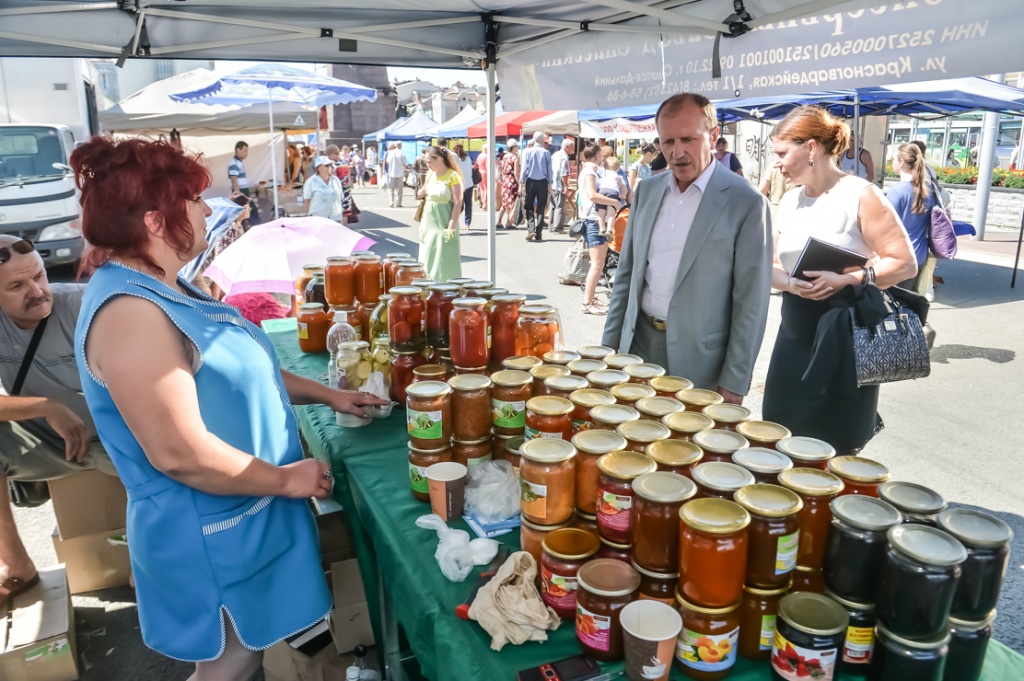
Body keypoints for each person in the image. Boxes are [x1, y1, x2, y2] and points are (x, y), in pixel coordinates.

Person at [69, 136, 388, 679]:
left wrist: (331, 394)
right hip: (208, 529)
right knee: (229, 665)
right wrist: (284, 479)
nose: (205, 209)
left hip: (241, 511)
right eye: (194, 199)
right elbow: (179, 453)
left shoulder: (166, 285)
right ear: (155, 221)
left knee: (248, 654)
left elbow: (240, 370)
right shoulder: (130, 313)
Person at [763, 106, 917, 454]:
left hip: (845, 340)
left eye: (782, 153)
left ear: (811, 148)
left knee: (833, 449)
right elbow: (769, 266)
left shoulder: (861, 194)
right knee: (778, 437)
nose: (777, 164)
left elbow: (905, 264)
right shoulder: (790, 200)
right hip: (794, 337)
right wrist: (790, 284)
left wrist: (847, 279)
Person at [602, 93, 773, 404]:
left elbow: (751, 302)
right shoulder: (647, 191)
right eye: (667, 142)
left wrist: (734, 381)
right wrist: (608, 349)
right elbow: (625, 276)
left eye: (688, 139)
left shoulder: (746, 202)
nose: (677, 152)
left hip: (702, 362)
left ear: (713, 136)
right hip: (637, 345)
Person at [0, 236, 119, 607]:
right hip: (55, 441)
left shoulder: (84, 304)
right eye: (17, 286)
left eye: (39, 276)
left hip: (125, 437)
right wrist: (46, 406)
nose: (37, 291)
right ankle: (17, 566)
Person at [888, 143, 939, 297]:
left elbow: (885, 227)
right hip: (919, 253)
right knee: (907, 300)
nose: (892, 163)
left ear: (902, 162)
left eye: (893, 160)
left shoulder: (897, 192)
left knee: (890, 303)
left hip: (898, 256)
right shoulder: (927, 190)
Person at [578, 145, 622, 316]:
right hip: (593, 220)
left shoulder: (591, 170)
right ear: (596, 154)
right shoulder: (589, 172)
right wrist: (614, 202)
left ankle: (590, 298)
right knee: (597, 264)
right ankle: (587, 302)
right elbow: (592, 195)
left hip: (595, 219)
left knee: (598, 263)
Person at [416, 146, 463, 282]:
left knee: (444, 259)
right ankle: (428, 287)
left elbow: (458, 203)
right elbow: (425, 195)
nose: (427, 165)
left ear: (440, 159)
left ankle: (445, 289)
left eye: (429, 162)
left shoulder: (453, 176)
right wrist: (421, 194)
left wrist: (451, 227)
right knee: (427, 257)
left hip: (444, 222)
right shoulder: (430, 174)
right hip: (428, 223)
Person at [520, 131, 553, 241]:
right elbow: (549, 170)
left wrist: (521, 182)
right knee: (541, 207)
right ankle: (539, 233)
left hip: (530, 181)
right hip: (543, 181)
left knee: (529, 206)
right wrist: (550, 184)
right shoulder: (546, 153)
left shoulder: (528, 152)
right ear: (542, 140)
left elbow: (524, 168)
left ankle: (531, 229)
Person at [303, 156, 346, 222]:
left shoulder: (335, 180)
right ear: (318, 168)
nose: (329, 167)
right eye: (327, 165)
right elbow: (307, 200)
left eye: (331, 165)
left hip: (336, 217)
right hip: (318, 219)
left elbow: (340, 197)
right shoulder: (311, 181)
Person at [596, 157, 627, 238]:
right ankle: (609, 230)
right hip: (613, 192)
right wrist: (623, 195)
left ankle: (601, 228)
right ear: (617, 169)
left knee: (601, 212)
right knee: (611, 213)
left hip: (602, 191)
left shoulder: (602, 172)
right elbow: (624, 188)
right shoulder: (618, 176)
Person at [549, 138, 574, 233]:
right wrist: (566, 185)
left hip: (552, 183)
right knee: (560, 206)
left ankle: (552, 225)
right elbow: (564, 173)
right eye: (572, 147)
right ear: (567, 147)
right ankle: (558, 227)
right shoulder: (564, 157)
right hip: (559, 184)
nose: (574, 149)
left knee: (553, 205)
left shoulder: (555, 155)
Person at [497, 138, 520, 230]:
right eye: (516, 146)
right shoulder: (515, 158)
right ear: (513, 147)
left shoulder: (505, 156)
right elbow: (516, 172)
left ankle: (499, 221)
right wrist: (519, 183)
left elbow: (501, 169)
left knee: (505, 202)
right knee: (512, 202)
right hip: (512, 180)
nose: (517, 148)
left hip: (505, 180)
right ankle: (508, 222)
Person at [452, 143, 475, 230]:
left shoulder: (454, 160)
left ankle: (454, 222)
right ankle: (467, 224)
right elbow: (470, 171)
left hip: (458, 184)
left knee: (457, 204)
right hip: (469, 184)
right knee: (468, 204)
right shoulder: (468, 158)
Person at [385, 141, 407, 208]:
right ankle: (399, 203)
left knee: (391, 188)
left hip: (391, 172)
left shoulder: (390, 152)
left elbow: (387, 161)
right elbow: (404, 164)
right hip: (400, 173)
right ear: (400, 146)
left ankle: (391, 202)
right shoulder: (402, 153)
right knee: (399, 189)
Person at [476, 143, 491, 212]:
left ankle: (482, 202)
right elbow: (487, 166)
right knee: (486, 188)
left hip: (479, 172)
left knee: (482, 188)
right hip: (485, 172)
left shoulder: (479, 156)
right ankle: (485, 203)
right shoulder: (487, 156)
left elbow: (476, 164)